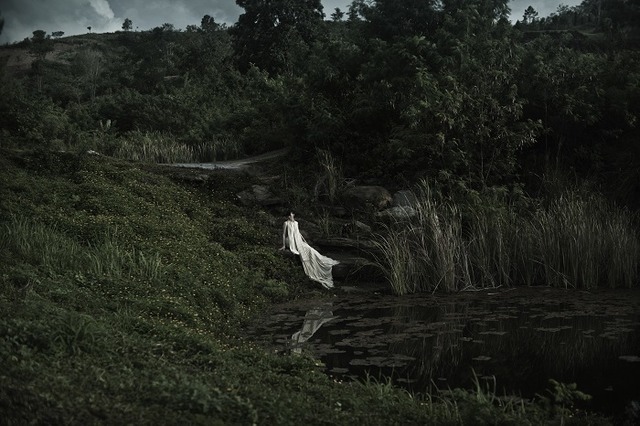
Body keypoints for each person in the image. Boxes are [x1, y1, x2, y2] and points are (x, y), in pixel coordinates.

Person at [279, 212, 339, 289]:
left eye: (292, 215)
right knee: (300, 249)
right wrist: (284, 245)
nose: (292, 216)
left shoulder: (296, 223)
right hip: (290, 240)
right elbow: (284, 234)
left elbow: (297, 233)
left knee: (310, 249)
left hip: (297, 240)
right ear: (288, 216)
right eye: (290, 215)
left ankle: (318, 259)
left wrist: (301, 241)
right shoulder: (286, 223)